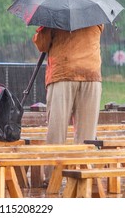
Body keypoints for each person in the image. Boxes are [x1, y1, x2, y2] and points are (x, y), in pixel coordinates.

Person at [32, 24, 104, 187]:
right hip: (91, 74)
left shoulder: (55, 16)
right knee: (87, 135)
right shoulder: (95, 13)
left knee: (56, 132)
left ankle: (52, 179)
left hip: (63, 74)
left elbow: (42, 45)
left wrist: (42, 28)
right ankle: (82, 176)